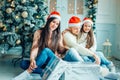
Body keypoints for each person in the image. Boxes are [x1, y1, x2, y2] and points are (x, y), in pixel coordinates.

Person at [12, 11, 83, 80]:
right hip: (42, 60)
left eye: (57, 24)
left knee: (46, 50)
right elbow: (35, 47)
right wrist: (32, 59)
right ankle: (45, 72)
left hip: (52, 61)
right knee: (23, 63)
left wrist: (67, 50)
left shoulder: (58, 34)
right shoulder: (39, 32)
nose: (54, 25)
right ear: (49, 21)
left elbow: (61, 48)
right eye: (53, 22)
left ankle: (28, 72)